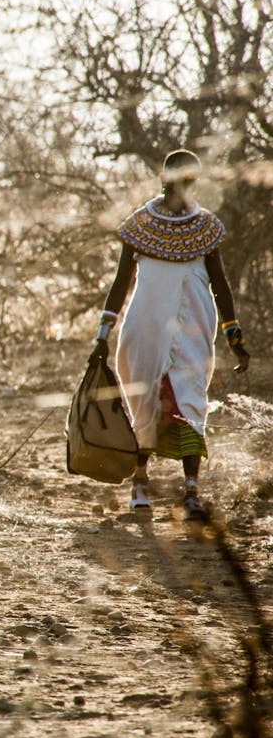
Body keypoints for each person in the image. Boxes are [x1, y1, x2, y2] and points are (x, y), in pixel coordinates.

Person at [89, 149, 251, 521]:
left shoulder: (206, 227)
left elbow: (221, 285)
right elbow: (120, 283)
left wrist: (234, 335)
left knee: (191, 402)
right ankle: (140, 483)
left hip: (193, 328)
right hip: (144, 328)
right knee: (145, 402)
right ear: (163, 180)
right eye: (177, 180)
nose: (182, 187)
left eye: (189, 181)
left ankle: (191, 493)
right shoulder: (139, 226)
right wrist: (103, 334)